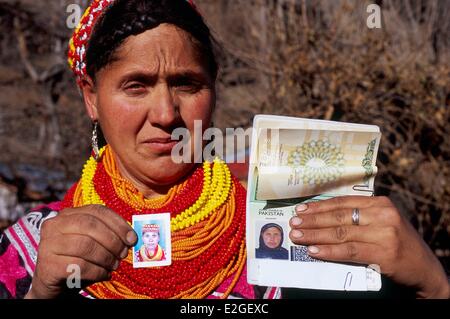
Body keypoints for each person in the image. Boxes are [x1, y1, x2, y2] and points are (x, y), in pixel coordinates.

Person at [0, 0, 448, 299]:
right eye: (135, 86)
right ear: (90, 96)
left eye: (187, 84)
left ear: (213, 91)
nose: (165, 113)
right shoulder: (33, 250)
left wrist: (431, 284)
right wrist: (42, 293)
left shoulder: (285, 223)